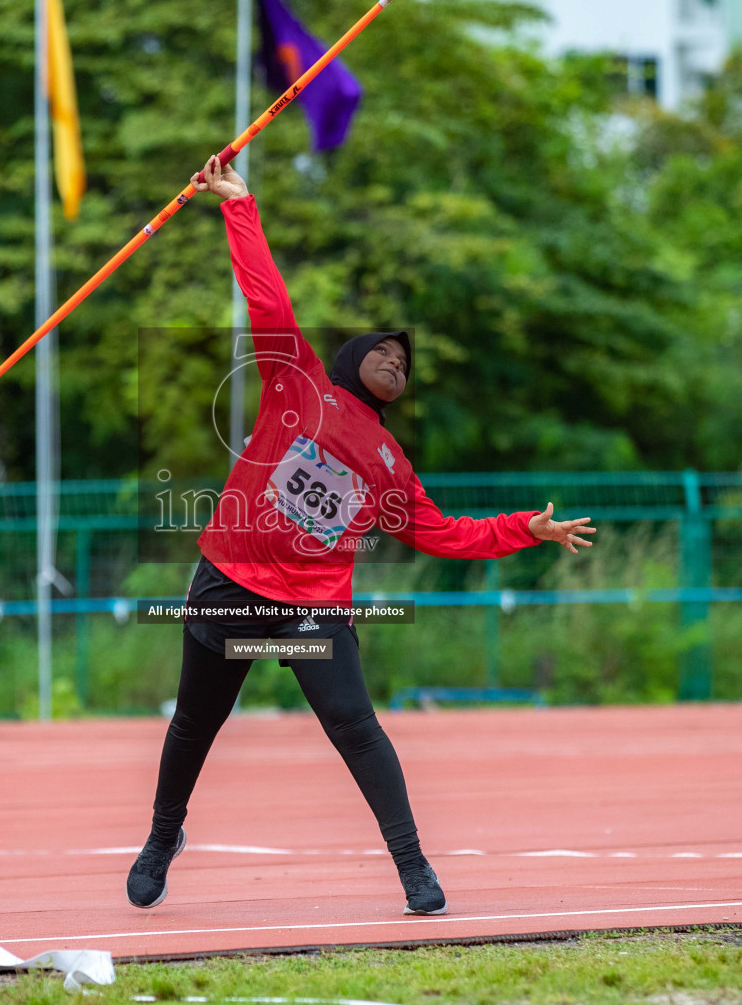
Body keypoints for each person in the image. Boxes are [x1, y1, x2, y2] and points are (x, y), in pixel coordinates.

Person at [126, 155, 597, 915]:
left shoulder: (389, 461)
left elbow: (442, 532)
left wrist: (525, 528)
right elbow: (267, 300)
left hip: (311, 606)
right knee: (195, 723)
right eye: (383, 351)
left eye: (406, 364)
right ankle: (161, 837)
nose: (395, 362)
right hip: (232, 586)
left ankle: (413, 868)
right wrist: (238, 206)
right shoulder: (297, 380)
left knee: (353, 723)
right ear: (350, 359)